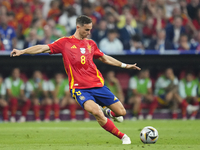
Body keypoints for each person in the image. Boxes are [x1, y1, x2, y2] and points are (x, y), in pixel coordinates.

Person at [11, 15, 141, 144]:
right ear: (78, 27)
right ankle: (123, 137)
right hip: (80, 88)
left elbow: (104, 57)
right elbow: (42, 48)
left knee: (121, 112)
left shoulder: (91, 44)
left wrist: (124, 65)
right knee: (96, 112)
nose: (89, 32)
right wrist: (22, 51)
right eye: (86, 30)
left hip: (98, 85)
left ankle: (110, 113)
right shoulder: (65, 42)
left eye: (90, 29)